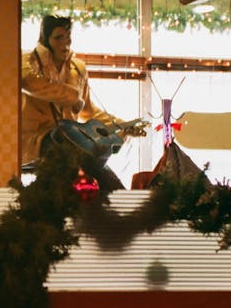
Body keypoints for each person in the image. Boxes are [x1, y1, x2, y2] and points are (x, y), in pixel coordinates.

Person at [21, 15, 146, 190]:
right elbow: (30, 82)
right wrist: (72, 97)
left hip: (73, 145)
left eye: (68, 36)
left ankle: (116, 201)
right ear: (45, 38)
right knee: (75, 157)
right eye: (58, 37)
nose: (65, 43)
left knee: (98, 163)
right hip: (38, 142)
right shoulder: (28, 62)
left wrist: (121, 125)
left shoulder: (77, 69)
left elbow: (89, 111)